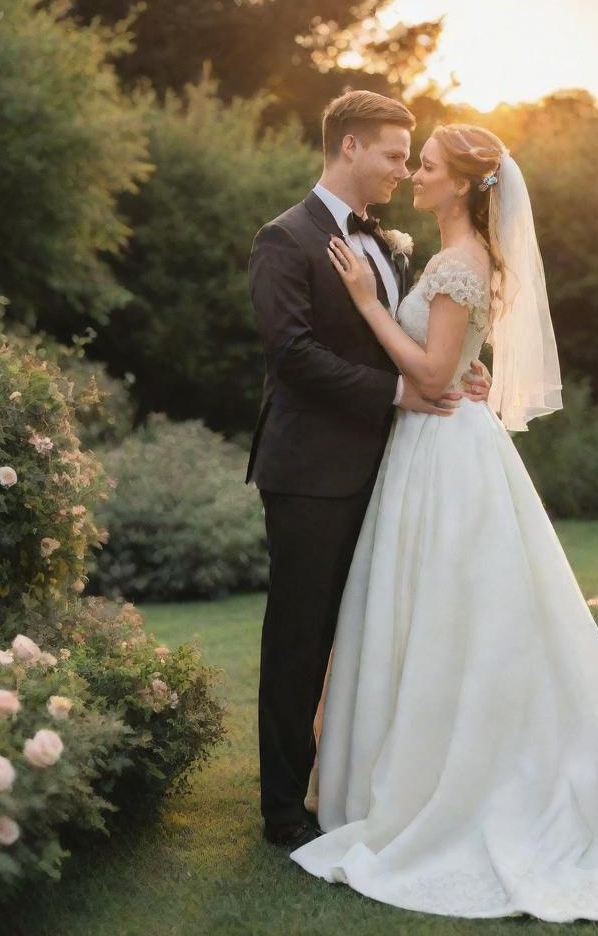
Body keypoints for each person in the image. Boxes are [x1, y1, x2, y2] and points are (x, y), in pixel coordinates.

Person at [287, 122, 598, 921]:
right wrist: (447, 349)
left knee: (453, 612)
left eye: (432, 167)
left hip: (444, 450)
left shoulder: (459, 263)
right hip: (431, 449)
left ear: (468, 184)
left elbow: (433, 371)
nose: (416, 175)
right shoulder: (453, 259)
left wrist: (370, 304)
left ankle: (460, 780)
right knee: (433, 612)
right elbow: (455, 357)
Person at [245, 91, 492, 851]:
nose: (399, 170)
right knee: (300, 637)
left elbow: (410, 340)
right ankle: (284, 808)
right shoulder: (284, 239)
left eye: (409, 158)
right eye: (391, 154)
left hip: (387, 472)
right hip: (312, 472)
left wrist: (459, 373)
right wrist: (401, 391)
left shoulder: (391, 243)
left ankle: (352, 783)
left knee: (367, 633)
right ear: (348, 147)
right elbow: (292, 354)